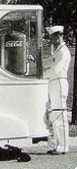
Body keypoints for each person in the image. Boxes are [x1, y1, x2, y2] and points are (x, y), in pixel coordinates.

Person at [43, 25, 71, 155]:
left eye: (52, 37)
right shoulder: (58, 50)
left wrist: (42, 74)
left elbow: (55, 69)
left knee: (60, 114)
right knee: (54, 115)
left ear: (58, 35)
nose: (51, 40)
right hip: (54, 82)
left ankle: (63, 146)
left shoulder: (63, 51)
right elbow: (49, 61)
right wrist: (37, 62)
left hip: (59, 82)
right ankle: (57, 144)